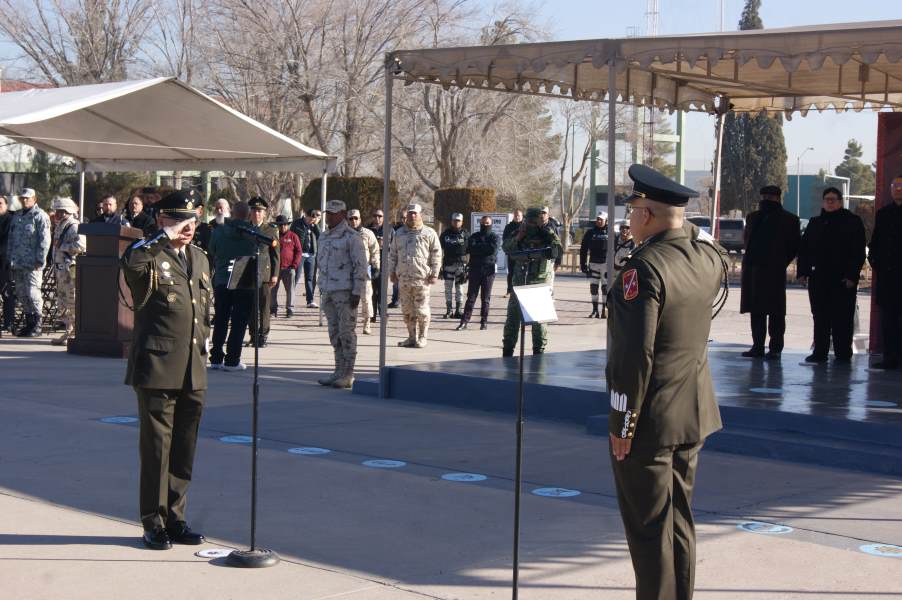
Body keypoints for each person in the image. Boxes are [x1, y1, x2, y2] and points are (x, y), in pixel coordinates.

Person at [607, 164, 725, 600]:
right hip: (693, 413)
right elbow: (699, 239)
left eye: (634, 209)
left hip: (651, 420)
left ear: (647, 216)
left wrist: (622, 423)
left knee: (649, 529)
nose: (630, 218)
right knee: (679, 522)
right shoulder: (707, 257)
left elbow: (634, 355)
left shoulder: (644, 269)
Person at [120, 190, 210, 550]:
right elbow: (130, 263)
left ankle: (176, 518)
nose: (185, 228)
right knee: (158, 449)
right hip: (157, 367)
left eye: (190, 220)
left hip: (192, 368)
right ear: (160, 220)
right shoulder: (147, 255)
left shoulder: (201, 259)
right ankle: (153, 522)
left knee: (184, 449)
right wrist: (161, 239)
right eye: (176, 220)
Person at [797, 187, 867, 365]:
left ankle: (843, 353)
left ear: (840, 202)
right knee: (820, 317)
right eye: (826, 199)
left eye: (833, 199)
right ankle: (819, 352)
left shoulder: (852, 221)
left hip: (842, 280)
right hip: (818, 279)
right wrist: (803, 272)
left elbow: (858, 251)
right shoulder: (815, 222)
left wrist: (852, 276)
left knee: (842, 318)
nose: (829, 202)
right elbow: (804, 249)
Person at [739, 185, 801, 359]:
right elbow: (747, 240)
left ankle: (775, 349)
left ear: (777, 198)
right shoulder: (753, 217)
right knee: (756, 312)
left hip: (774, 271)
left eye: (770, 197)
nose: (766, 200)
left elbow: (794, 246)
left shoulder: (789, 219)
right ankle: (757, 346)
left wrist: (780, 261)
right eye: (764, 196)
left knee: (776, 312)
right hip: (753, 270)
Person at [316, 200, 368, 388]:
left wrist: (357, 292)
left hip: (346, 293)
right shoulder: (323, 236)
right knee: (334, 333)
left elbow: (361, 266)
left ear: (343, 214)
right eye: (327, 212)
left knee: (347, 333)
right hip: (328, 291)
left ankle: (348, 373)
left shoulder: (352, 237)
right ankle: (338, 370)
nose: (329, 216)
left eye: (333, 213)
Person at [501, 207, 562, 356]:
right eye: (529, 221)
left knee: (539, 323)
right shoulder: (519, 233)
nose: (531, 225)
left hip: (539, 283)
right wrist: (519, 237)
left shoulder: (547, 233)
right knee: (512, 321)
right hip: (520, 282)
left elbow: (557, 250)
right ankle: (508, 351)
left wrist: (546, 233)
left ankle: (538, 352)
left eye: (535, 222)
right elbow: (506, 247)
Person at [207, 201, 254, 371]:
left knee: (221, 318)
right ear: (248, 215)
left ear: (232, 213)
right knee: (239, 321)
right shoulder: (253, 232)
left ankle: (216, 358)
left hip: (222, 278)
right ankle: (232, 359)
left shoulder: (218, 231)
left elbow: (212, 250)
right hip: (243, 277)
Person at [388, 203, 442, 348]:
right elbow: (393, 254)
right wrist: (392, 272)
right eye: (410, 213)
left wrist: (435, 273)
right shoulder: (399, 233)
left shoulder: (429, 233)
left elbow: (436, 254)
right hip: (403, 279)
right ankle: (412, 337)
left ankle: (423, 337)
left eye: (415, 213)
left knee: (422, 310)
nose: (412, 216)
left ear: (420, 215)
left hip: (421, 279)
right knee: (407, 310)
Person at [868, 175, 902, 370]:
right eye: (895, 185)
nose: (898, 189)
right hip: (888, 277)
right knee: (888, 319)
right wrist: (875, 261)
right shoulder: (884, 214)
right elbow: (876, 242)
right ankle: (890, 358)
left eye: (901, 186)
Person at [8, 188, 51, 337]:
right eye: (22, 198)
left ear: (34, 198)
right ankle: (29, 323)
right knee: (21, 293)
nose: (24, 200)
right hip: (18, 262)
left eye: (27, 198)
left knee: (33, 292)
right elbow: (11, 238)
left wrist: (40, 259)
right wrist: (10, 257)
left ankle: (38, 324)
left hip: (33, 263)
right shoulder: (18, 215)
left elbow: (45, 240)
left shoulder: (40, 216)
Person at [49, 197, 86, 346]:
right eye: (56, 211)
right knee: (62, 303)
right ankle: (68, 331)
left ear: (67, 211)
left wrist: (62, 246)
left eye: (59, 211)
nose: (56, 214)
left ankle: (75, 333)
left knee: (72, 301)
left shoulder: (74, 226)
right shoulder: (61, 225)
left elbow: (81, 245)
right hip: (61, 270)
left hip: (70, 270)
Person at [246, 196, 280, 347]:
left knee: (264, 306)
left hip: (265, 274)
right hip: (247, 273)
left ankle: (263, 335)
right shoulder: (245, 228)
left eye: (260, 211)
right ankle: (253, 334)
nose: (257, 214)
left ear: (264, 213)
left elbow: (276, 255)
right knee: (251, 307)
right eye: (254, 210)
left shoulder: (270, 230)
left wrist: (275, 274)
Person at [457, 214, 499, 330]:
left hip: (489, 271)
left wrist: (479, 248)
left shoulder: (495, 237)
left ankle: (484, 322)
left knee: (485, 298)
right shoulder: (474, 236)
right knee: (471, 297)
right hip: (475, 269)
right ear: (480, 223)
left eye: (487, 223)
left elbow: (493, 250)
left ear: (491, 224)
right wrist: (483, 249)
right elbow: (470, 248)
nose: (485, 225)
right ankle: (464, 321)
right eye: (483, 223)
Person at [348, 209, 380, 334]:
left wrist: (376, 266)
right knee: (350, 300)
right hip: (349, 272)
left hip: (364, 271)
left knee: (366, 298)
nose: (353, 221)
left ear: (360, 219)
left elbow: (375, 250)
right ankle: (351, 323)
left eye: (356, 218)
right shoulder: (344, 234)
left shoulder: (367, 233)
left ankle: (367, 323)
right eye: (351, 219)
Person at [440, 213, 469, 319]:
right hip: (448, 264)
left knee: (460, 288)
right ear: (451, 221)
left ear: (462, 222)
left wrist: (468, 265)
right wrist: (439, 266)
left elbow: (469, 251)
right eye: (454, 220)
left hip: (461, 265)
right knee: (448, 288)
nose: (456, 222)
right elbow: (439, 250)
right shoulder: (445, 234)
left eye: (458, 220)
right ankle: (449, 310)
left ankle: (458, 310)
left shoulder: (466, 234)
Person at [580, 212, 609, 318]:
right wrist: (583, 265)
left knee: (605, 288)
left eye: (601, 219)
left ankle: (604, 310)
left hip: (606, 265)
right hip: (593, 264)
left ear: (606, 220)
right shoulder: (590, 233)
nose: (599, 221)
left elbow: (616, 248)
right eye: (598, 219)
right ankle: (595, 310)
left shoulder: (611, 233)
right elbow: (583, 249)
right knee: (593, 288)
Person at [290, 208, 321, 308]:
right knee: (296, 277)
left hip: (311, 254)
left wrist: (315, 225)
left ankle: (310, 300)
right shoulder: (297, 223)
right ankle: (290, 300)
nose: (312, 220)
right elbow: (291, 236)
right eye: (310, 218)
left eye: (314, 219)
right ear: (306, 216)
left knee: (310, 278)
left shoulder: (314, 226)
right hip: (299, 254)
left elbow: (320, 236)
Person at [271, 215, 302, 318]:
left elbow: (299, 251)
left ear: (287, 225)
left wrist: (294, 265)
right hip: (275, 269)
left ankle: (290, 309)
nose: (283, 227)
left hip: (289, 268)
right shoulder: (274, 236)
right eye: (280, 225)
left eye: (284, 225)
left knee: (290, 290)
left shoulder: (293, 236)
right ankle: (272, 309)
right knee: (272, 290)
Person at [367, 209, 386, 323]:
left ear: (383, 217)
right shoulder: (367, 230)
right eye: (375, 215)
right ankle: (372, 314)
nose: (377, 218)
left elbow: (394, 247)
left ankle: (382, 313)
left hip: (384, 263)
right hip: (371, 264)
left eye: (380, 216)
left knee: (382, 291)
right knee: (372, 290)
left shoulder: (389, 230)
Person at [0, 195, 15, 334]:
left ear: (6, 204)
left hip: (5, 262)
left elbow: (8, 242)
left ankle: (8, 323)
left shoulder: (11, 220)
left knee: (7, 294)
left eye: (0, 203)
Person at [502, 209, 524, 296]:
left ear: (522, 216)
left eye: (519, 215)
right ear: (513, 216)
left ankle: (520, 291)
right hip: (512, 253)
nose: (517, 217)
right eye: (516, 215)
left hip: (523, 254)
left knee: (522, 272)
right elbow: (505, 239)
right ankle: (509, 290)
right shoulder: (509, 227)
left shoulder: (526, 226)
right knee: (511, 272)